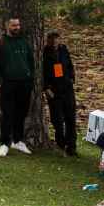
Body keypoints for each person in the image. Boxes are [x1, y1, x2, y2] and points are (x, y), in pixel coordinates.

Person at [0, 17, 36, 157]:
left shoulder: (24, 42)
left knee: (21, 113)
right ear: (7, 26)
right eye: (13, 25)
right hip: (8, 84)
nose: (17, 27)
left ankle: (18, 140)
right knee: (7, 114)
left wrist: (30, 78)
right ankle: (4, 143)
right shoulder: (0, 43)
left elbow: (31, 61)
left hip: (24, 83)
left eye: (18, 25)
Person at [41, 29, 77, 157]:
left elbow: (70, 65)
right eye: (52, 39)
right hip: (53, 90)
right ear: (48, 40)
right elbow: (42, 72)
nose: (55, 41)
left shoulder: (63, 49)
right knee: (57, 120)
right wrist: (46, 88)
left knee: (70, 119)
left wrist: (72, 78)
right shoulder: (44, 52)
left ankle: (71, 146)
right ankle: (60, 144)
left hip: (67, 88)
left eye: (56, 38)